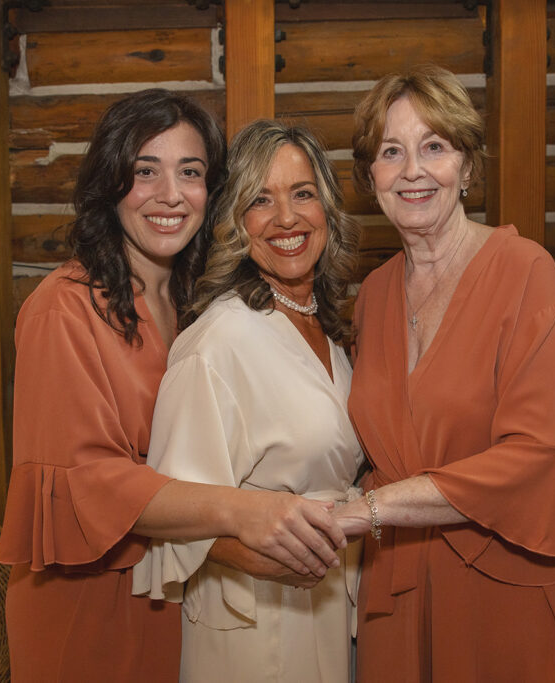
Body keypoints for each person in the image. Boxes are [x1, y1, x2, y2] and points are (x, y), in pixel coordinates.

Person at [0, 91, 346, 683]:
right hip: (89, 601)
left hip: (171, 595)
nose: (170, 194)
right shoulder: (63, 307)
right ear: (110, 183)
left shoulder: (192, 301)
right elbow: (89, 483)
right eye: (145, 171)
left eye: (190, 172)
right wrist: (248, 512)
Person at [332, 65, 555, 682]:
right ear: (371, 177)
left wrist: (368, 509)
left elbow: (541, 459)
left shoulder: (528, 275)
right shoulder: (372, 295)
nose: (413, 170)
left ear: (466, 167)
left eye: (434, 146)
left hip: (511, 583)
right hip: (401, 585)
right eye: (391, 152)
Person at [132, 120, 364, 683]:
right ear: (234, 220)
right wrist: (268, 558)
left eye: (302, 193)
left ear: (327, 208)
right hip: (256, 620)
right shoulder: (219, 341)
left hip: (330, 602)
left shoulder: (332, 331)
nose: (286, 218)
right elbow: (171, 508)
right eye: (260, 200)